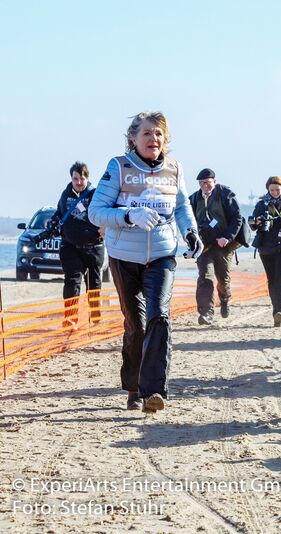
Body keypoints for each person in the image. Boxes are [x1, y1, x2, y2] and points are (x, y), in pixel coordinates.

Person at [88, 111, 200, 413]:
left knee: (159, 317)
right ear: (133, 139)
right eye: (148, 133)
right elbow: (96, 212)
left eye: (159, 134)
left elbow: (182, 205)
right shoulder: (119, 167)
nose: (154, 139)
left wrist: (191, 233)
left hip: (163, 254)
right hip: (124, 256)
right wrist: (128, 216)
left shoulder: (174, 168)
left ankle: (154, 391)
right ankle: (134, 388)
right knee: (136, 326)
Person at [188, 168, 244, 326]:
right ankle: (206, 313)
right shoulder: (194, 198)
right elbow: (187, 219)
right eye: (201, 183)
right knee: (205, 277)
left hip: (223, 245)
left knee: (223, 280)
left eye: (207, 182)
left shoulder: (226, 195)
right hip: (204, 246)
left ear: (214, 181)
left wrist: (227, 237)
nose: (204, 185)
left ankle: (225, 300)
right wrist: (191, 238)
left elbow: (237, 218)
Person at [52, 161, 104, 327]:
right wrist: (54, 221)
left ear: (87, 178)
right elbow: (59, 214)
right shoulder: (65, 195)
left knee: (94, 283)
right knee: (72, 282)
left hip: (94, 247)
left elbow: (106, 212)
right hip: (70, 247)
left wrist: (105, 228)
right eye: (75, 179)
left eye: (82, 178)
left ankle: (95, 318)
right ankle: (70, 318)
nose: (79, 182)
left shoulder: (96, 194)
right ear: (71, 179)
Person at [251, 176, 281, 327]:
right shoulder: (261, 204)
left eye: (277, 189)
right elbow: (252, 223)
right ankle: (275, 309)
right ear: (268, 189)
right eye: (272, 190)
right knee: (272, 278)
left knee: (280, 277)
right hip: (266, 246)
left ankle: (279, 311)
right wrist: (256, 222)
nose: (275, 192)